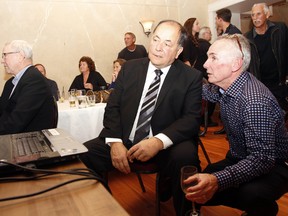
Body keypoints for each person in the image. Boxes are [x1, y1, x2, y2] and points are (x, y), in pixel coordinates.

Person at [79, 20, 203, 216]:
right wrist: (115, 142)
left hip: (166, 146)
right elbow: (113, 107)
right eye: (156, 39)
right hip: (125, 140)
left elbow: (191, 119)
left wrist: (158, 142)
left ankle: (187, 213)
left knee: (187, 157)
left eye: (167, 43)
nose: (158, 47)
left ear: (178, 51)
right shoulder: (129, 69)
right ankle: (104, 209)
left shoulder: (191, 77)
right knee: (82, 156)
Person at [184, 34, 288, 216]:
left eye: (213, 57)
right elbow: (204, 92)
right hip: (240, 156)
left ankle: (264, 209)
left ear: (235, 64)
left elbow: (262, 159)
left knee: (250, 194)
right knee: (198, 186)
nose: (205, 64)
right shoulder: (226, 87)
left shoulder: (254, 101)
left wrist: (218, 180)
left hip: (276, 164)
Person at [0, 40, 55, 135]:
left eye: (5, 55)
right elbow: (3, 111)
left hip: (30, 142)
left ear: (20, 56)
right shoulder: (11, 83)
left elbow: (16, 122)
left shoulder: (34, 81)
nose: (2, 60)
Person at [245, 3, 288, 112]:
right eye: (253, 15)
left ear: (267, 14)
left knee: (281, 114)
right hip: (260, 85)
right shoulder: (247, 38)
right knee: (265, 116)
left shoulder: (280, 29)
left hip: (279, 83)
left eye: (258, 14)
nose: (255, 18)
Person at [194, 26, 218, 127]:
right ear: (204, 34)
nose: (211, 35)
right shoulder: (208, 46)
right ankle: (207, 120)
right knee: (210, 99)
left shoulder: (195, 44)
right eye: (209, 33)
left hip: (196, 75)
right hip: (207, 75)